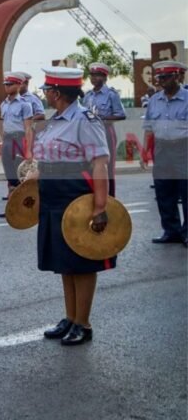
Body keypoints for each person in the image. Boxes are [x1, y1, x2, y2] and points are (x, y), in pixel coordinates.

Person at [30, 66, 113, 346]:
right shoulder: (56, 120)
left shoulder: (85, 119)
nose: (45, 94)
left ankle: (83, 323)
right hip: (53, 195)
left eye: (47, 90)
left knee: (82, 261)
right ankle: (70, 317)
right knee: (64, 263)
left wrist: (100, 207)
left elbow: (100, 162)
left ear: (56, 92)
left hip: (75, 194)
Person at [141, 60, 188, 245]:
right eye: (159, 77)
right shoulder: (154, 100)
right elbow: (149, 128)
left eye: (166, 77)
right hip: (162, 149)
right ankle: (171, 231)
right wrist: (144, 152)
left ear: (176, 76)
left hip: (183, 148)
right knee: (164, 191)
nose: (161, 81)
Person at [82, 63, 126, 197]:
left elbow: (121, 114)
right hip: (88, 134)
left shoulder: (111, 94)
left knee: (107, 168)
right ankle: (93, 195)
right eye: (92, 75)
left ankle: (110, 199)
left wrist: (101, 118)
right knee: (88, 166)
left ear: (104, 77)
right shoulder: (88, 95)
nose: (94, 78)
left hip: (105, 132)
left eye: (97, 75)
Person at [0, 73, 35, 217]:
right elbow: (4, 125)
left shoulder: (25, 104)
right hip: (7, 140)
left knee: (20, 175)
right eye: (6, 84)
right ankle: (11, 209)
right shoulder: (3, 104)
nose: (7, 87)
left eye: (10, 84)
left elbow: (28, 129)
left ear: (19, 85)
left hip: (19, 140)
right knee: (10, 176)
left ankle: (23, 209)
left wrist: (29, 150)